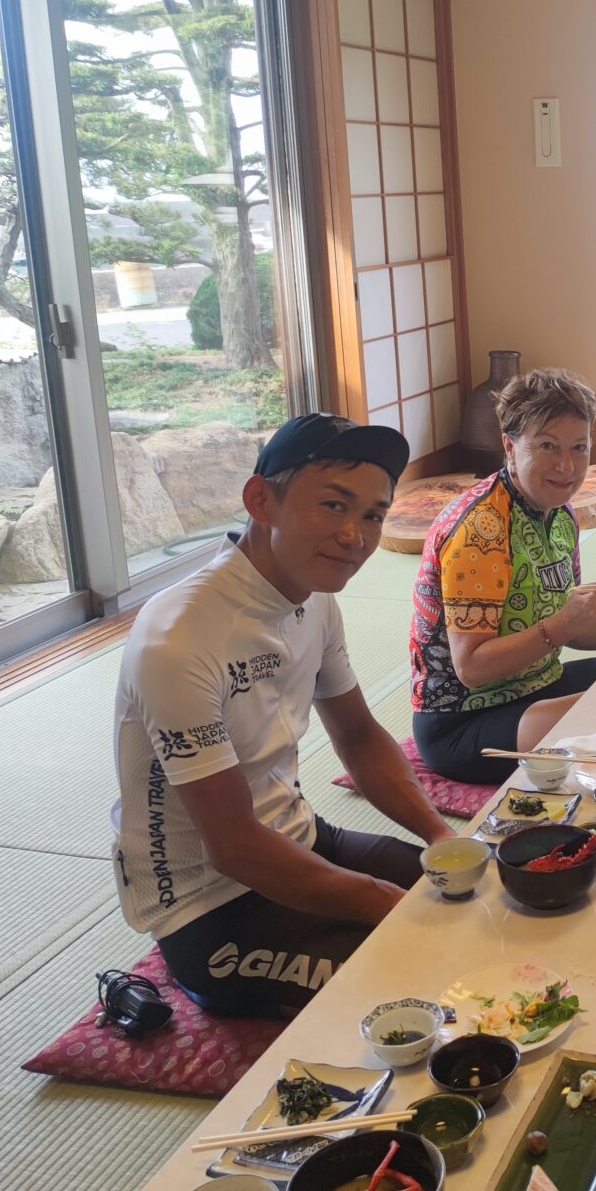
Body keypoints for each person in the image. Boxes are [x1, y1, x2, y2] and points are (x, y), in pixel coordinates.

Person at [111, 413, 455, 1019]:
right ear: (260, 499)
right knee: (428, 973)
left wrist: (443, 838)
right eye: (332, 505)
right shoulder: (178, 639)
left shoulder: (315, 598)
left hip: (298, 836)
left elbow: (357, 735)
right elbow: (235, 847)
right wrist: (385, 902)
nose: (355, 535)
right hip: (209, 904)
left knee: (468, 894)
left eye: (373, 514)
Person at [410, 368, 596, 783]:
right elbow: (470, 667)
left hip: (539, 681)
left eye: (579, 447)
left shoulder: (561, 515)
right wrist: (564, 625)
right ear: (509, 446)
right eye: (547, 446)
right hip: (464, 720)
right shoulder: (480, 530)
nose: (567, 466)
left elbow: (564, 629)